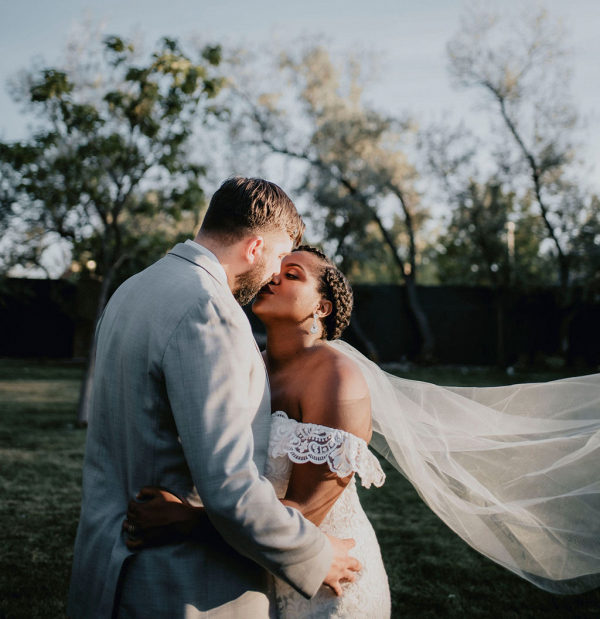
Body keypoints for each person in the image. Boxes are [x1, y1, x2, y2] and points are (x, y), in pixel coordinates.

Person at [125, 249, 600, 611]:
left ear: (323, 307)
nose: (273, 275)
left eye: (293, 275)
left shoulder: (337, 378)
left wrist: (188, 521)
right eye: (276, 268)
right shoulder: (252, 362)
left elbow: (307, 510)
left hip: (333, 578)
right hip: (263, 568)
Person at [68, 177, 361, 619]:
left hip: (105, 565)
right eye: (280, 257)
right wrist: (317, 556)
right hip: (177, 585)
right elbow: (230, 487)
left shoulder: (131, 289)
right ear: (255, 248)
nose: (274, 273)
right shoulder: (208, 309)